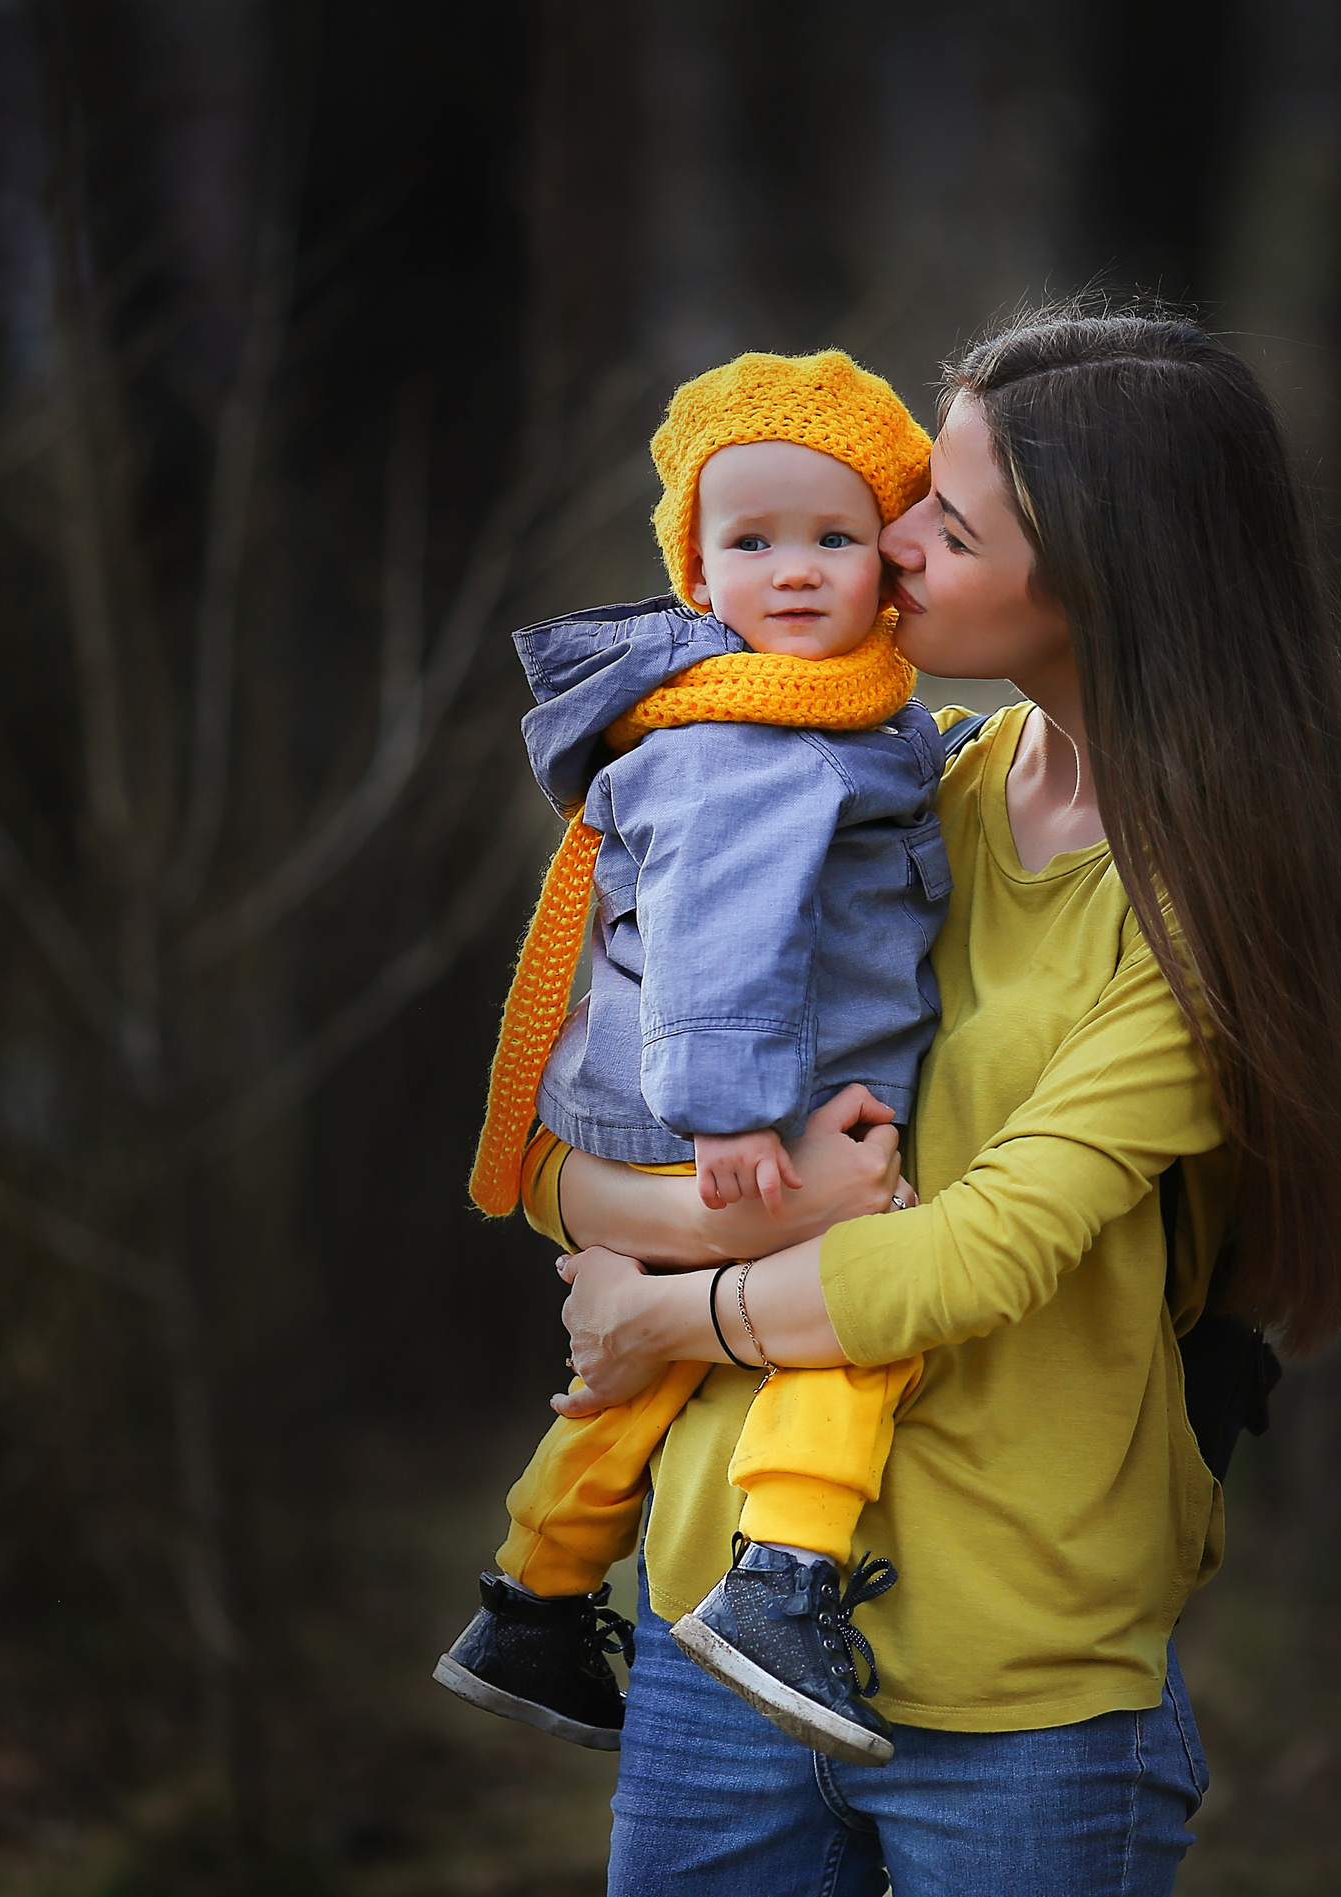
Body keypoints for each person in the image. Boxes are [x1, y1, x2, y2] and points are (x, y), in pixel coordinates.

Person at [533, 310, 1341, 1895]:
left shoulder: (1205, 917)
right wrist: (659, 1221)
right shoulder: (895, 785)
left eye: (950, 520)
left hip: (1018, 1686)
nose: (888, 539)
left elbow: (973, 1261)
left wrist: (668, 1310)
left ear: (1103, 583)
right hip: (718, 1621)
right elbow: (556, 1151)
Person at [435, 350, 956, 1768]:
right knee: (850, 1317)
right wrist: (732, 1118)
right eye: (753, 541)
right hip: (743, 1108)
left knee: (642, 1365)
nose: (794, 571)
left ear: (888, 559)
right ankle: (787, 1575)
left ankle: (532, 1595)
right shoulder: (758, 738)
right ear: (695, 568)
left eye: (834, 538)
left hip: (681, 1108)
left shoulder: (822, 711)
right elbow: (722, 935)